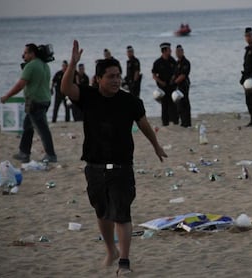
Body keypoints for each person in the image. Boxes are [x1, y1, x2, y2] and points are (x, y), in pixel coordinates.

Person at [61, 40, 167, 275]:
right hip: (94, 165)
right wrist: (73, 65)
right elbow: (65, 89)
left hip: (121, 166)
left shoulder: (130, 101)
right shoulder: (88, 96)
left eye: (118, 75)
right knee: (101, 211)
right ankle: (111, 250)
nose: (116, 80)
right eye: (111, 76)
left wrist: (156, 145)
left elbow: (144, 124)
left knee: (121, 212)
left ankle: (124, 262)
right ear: (98, 78)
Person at [0, 43, 57, 163]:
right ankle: (24, 153)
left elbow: (20, 84)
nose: (23, 55)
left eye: (25, 53)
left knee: (42, 129)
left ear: (32, 53)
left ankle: (51, 155)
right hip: (45, 100)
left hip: (35, 102)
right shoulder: (45, 65)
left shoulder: (31, 66)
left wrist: (7, 96)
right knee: (28, 127)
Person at [152, 42, 178, 126]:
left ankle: (175, 121)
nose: (171, 51)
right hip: (163, 88)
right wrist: (160, 82)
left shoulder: (172, 60)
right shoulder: (157, 62)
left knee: (174, 104)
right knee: (164, 105)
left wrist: (173, 78)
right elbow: (154, 75)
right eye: (169, 50)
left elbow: (176, 71)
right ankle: (165, 122)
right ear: (164, 51)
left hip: (172, 86)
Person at [174, 44, 191, 127]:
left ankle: (187, 122)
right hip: (177, 86)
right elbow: (175, 74)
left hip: (184, 85)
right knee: (179, 104)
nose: (177, 53)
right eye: (176, 52)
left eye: (179, 51)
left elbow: (183, 75)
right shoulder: (177, 63)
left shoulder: (186, 62)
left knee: (185, 103)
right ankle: (183, 121)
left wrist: (174, 82)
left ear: (182, 52)